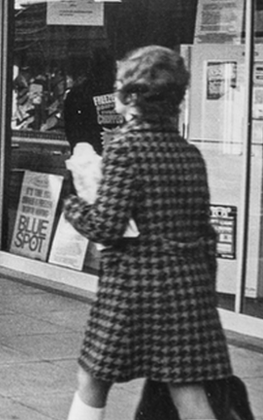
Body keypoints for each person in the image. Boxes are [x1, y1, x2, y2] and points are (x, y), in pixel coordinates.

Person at [62, 46, 232, 420]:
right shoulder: (188, 153)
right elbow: (203, 231)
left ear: (132, 96)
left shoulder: (125, 148)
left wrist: (73, 201)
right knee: (189, 392)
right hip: (186, 291)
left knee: (92, 380)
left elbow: (105, 225)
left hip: (133, 290)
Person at [63, 48, 121, 154]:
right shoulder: (122, 91)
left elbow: (71, 129)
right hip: (119, 154)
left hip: (89, 157)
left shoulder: (78, 92)